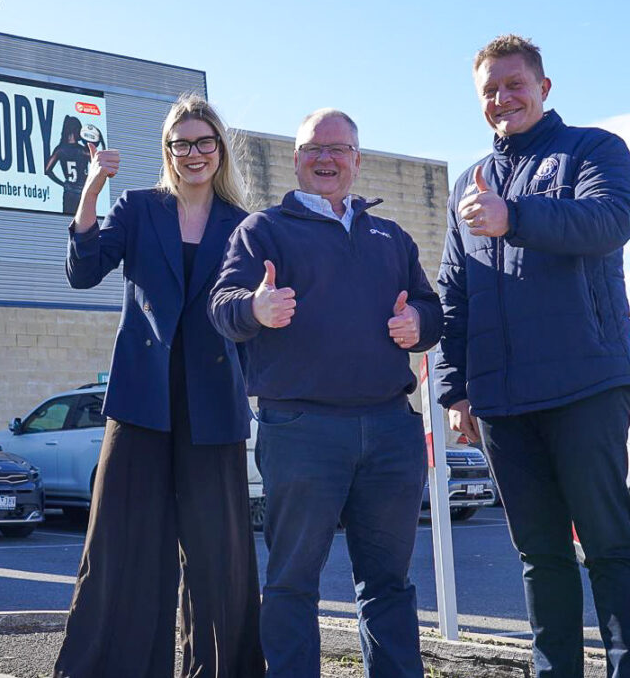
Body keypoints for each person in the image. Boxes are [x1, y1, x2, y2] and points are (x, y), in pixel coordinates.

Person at [209, 109, 442, 678]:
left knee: (389, 583)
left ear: (357, 161)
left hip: (390, 428)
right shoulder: (263, 231)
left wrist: (419, 321)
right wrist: (255, 308)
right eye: (314, 148)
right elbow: (222, 307)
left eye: (339, 149)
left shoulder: (391, 236)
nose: (326, 159)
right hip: (302, 430)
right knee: (292, 580)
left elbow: (433, 310)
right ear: (296, 159)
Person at [434, 34, 630, 677]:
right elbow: (454, 293)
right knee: (539, 555)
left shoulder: (594, 150)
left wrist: (512, 213)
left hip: (586, 387)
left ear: (544, 89)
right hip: (501, 405)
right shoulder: (468, 183)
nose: (502, 98)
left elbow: (608, 221)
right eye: (489, 90)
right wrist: (456, 390)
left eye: (513, 84)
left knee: (610, 546)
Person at [53, 94, 264, 678]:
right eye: (181, 144)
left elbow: (257, 309)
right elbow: (83, 270)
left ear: (219, 148)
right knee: (120, 545)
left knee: (218, 555)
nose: (193, 154)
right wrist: (92, 189)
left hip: (214, 404)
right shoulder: (138, 207)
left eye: (204, 143)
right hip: (141, 400)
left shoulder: (245, 225)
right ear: (166, 152)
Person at [45, 115, 91, 214]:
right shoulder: (82, 150)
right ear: (76, 130)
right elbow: (96, 161)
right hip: (81, 192)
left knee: (68, 221)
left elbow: (47, 170)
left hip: (68, 192)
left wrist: (63, 183)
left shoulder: (60, 149)